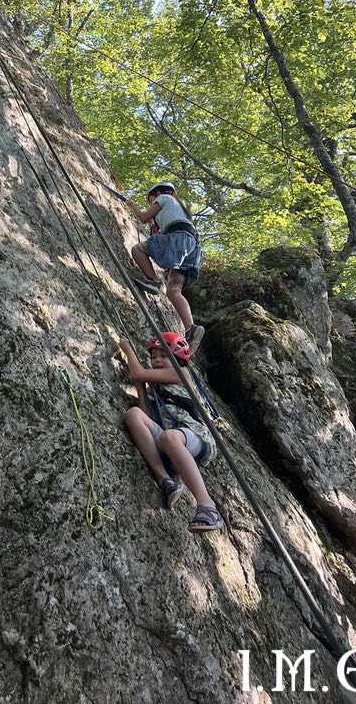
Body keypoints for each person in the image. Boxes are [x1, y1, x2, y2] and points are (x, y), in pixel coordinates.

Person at [118, 333, 222, 533]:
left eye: (163, 356)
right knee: (134, 415)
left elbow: (138, 372)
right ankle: (166, 480)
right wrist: (140, 387)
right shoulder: (157, 387)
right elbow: (147, 413)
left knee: (169, 437)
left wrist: (127, 348)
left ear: (178, 359)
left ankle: (207, 506)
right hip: (172, 441)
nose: (156, 360)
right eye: (153, 356)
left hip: (198, 436)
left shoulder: (181, 373)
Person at [126, 181, 204, 354]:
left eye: (150, 200)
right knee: (174, 290)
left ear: (156, 193)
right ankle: (191, 327)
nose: (151, 203)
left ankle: (153, 281)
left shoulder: (163, 198)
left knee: (138, 249)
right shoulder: (180, 209)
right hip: (192, 246)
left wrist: (132, 205)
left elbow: (143, 217)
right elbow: (159, 229)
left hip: (179, 237)